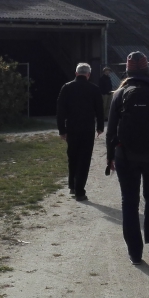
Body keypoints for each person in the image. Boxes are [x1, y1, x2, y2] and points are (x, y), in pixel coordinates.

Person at [105, 52, 149, 264]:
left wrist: (110, 156)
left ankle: (135, 253)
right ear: (147, 69)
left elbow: (111, 129)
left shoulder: (120, 93)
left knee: (129, 202)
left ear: (127, 70)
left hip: (125, 154)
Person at [56, 62, 105, 201]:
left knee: (72, 156)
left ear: (76, 73)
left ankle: (72, 185)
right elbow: (100, 110)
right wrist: (100, 126)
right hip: (87, 128)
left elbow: (60, 110)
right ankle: (80, 191)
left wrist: (62, 129)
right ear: (88, 75)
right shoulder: (94, 89)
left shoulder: (66, 87)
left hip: (72, 127)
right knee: (84, 159)